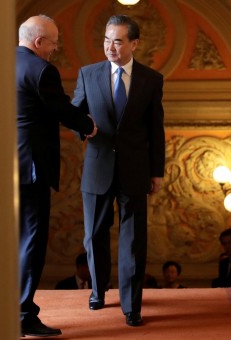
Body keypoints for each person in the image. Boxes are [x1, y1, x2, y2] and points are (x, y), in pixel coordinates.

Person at [72, 14, 165, 327]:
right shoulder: (88, 74)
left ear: (134, 43)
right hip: (97, 168)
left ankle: (132, 305)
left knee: (133, 241)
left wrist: (157, 172)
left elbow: (156, 129)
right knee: (94, 236)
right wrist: (83, 131)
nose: (110, 47)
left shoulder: (151, 79)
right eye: (107, 40)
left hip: (136, 169)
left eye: (118, 40)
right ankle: (98, 292)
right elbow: (76, 114)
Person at [16, 14, 97, 337]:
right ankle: (22, 313)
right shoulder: (42, 70)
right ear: (38, 42)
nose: (56, 47)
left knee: (13, 242)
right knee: (32, 242)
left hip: (3, 167)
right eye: (53, 42)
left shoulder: (0, 61)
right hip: (32, 167)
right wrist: (89, 125)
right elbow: (61, 108)